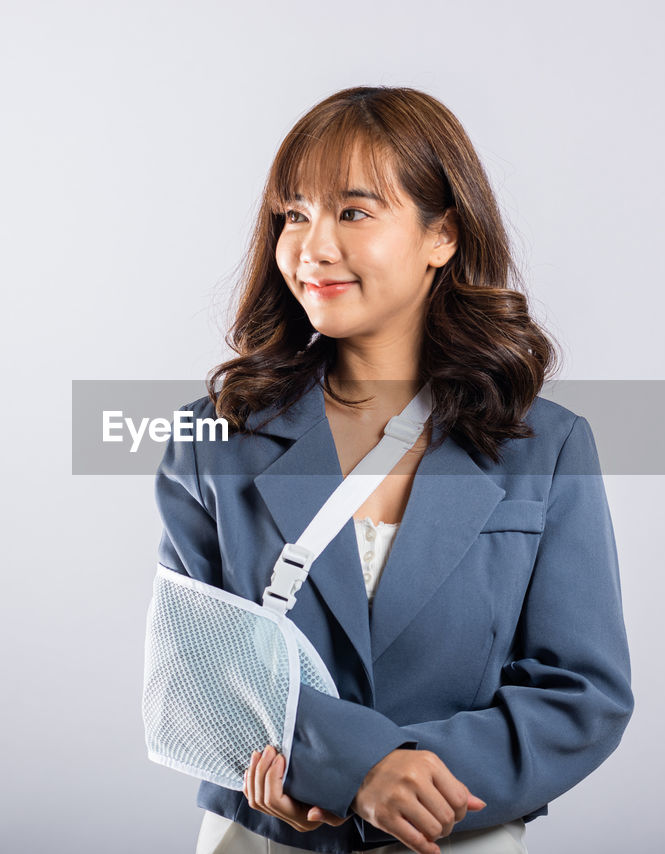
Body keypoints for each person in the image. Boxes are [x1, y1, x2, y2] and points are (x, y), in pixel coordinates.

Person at [153, 86, 634, 854]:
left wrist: (411, 776)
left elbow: (583, 693)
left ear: (441, 234)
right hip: (267, 837)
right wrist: (353, 768)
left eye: (352, 212)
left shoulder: (546, 446)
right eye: (294, 214)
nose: (311, 247)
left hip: (456, 834)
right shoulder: (213, 436)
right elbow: (196, 668)